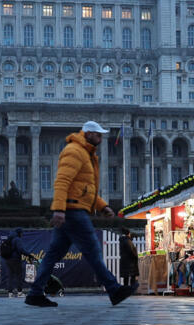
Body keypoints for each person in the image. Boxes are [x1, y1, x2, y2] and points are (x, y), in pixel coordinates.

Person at [26, 121, 135, 307]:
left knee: (53, 255)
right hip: (73, 211)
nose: (101, 138)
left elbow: (85, 189)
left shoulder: (85, 153)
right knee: (93, 252)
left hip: (72, 209)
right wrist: (59, 209)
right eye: (98, 135)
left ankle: (35, 293)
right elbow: (62, 181)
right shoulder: (75, 151)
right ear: (89, 134)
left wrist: (102, 206)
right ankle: (114, 290)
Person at [1, 228, 35, 297]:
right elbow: (21, 249)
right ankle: (19, 292)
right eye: (22, 233)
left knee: (10, 276)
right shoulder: (17, 239)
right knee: (19, 276)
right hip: (15, 259)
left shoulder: (9, 239)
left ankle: (10, 293)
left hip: (8, 260)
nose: (22, 234)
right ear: (19, 233)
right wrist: (29, 255)